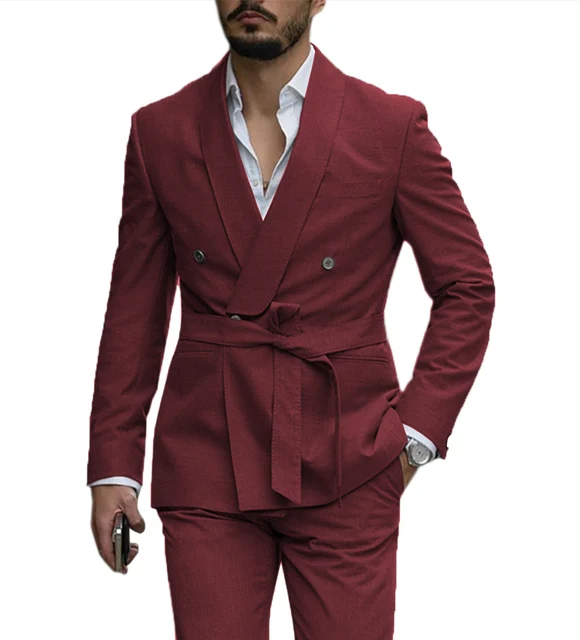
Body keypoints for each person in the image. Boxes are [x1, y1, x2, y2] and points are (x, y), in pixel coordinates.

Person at [87, 1, 495, 638]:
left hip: (349, 452)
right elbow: (134, 310)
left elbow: (466, 285)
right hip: (206, 455)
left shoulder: (391, 126)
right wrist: (114, 465)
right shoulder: (159, 131)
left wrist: (416, 433)